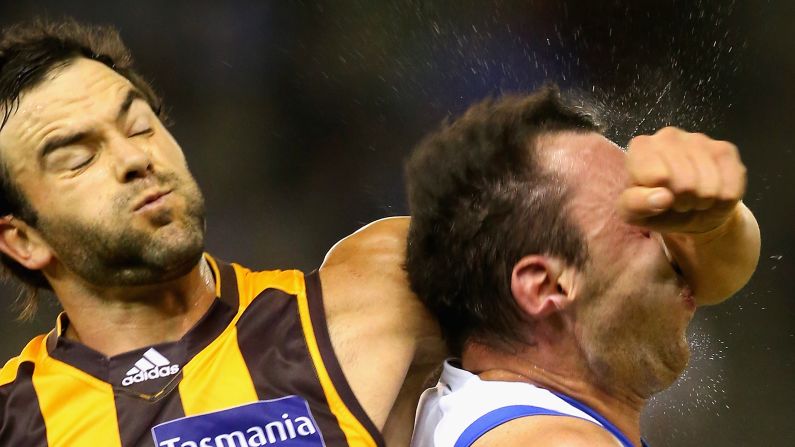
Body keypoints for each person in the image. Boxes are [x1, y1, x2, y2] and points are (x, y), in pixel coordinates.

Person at [0, 19, 443, 447]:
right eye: (78, 159)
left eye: (139, 125)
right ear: (23, 240)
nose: (134, 157)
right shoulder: (14, 422)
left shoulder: (381, 292)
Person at [405, 88, 760, 446]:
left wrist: (719, 227)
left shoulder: (471, 414)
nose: (674, 242)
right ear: (545, 286)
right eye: (641, 221)